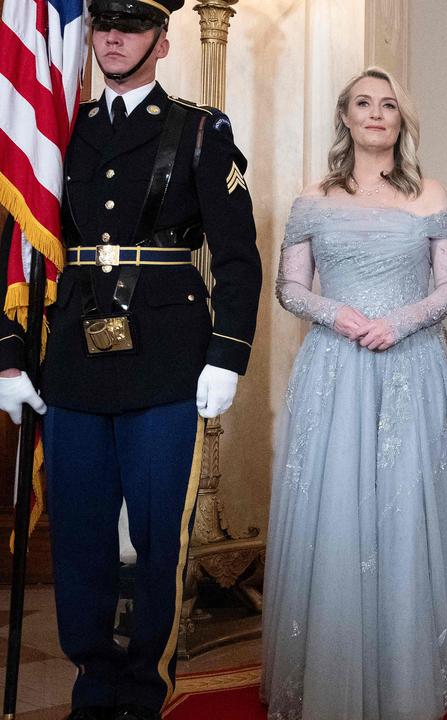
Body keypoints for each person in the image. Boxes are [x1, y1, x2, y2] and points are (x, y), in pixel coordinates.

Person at [0, 1, 262, 719]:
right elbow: (23, 246)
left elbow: (237, 259)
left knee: (156, 540)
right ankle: (92, 682)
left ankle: (146, 687)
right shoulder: (60, 132)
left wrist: (226, 357)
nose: (114, 37)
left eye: (133, 26)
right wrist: (11, 354)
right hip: (75, 367)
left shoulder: (201, 131)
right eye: (105, 25)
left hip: (168, 365)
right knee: (80, 539)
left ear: (162, 41)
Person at [260, 67, 447, 720]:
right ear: (344, 117)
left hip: (413, 365)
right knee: (339, 505)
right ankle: (337, 666)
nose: (376, 113)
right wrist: (340, 317)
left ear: (402, 120)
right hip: (336, 366)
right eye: (363, 104)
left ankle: (415, 667)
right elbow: (290, 288)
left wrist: (396, 322)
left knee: (409, 506)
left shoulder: (430, 192)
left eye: (388, 105)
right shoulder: (312, 196)